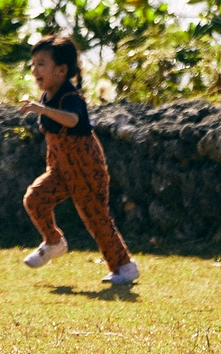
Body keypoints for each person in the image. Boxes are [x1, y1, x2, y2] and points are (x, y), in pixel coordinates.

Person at [16, 34, 140, 288]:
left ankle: (124, 266)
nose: (34, 69)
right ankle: (53, 242)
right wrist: (42, 109)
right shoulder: (46, 97)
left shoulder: (70, 97)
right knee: (35, 199)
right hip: (60, 169)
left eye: (42, 64)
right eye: (33, 63)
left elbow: (72, 120)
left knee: (96, 217)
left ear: (61, 70)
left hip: (86, 167)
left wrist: (42, 111)